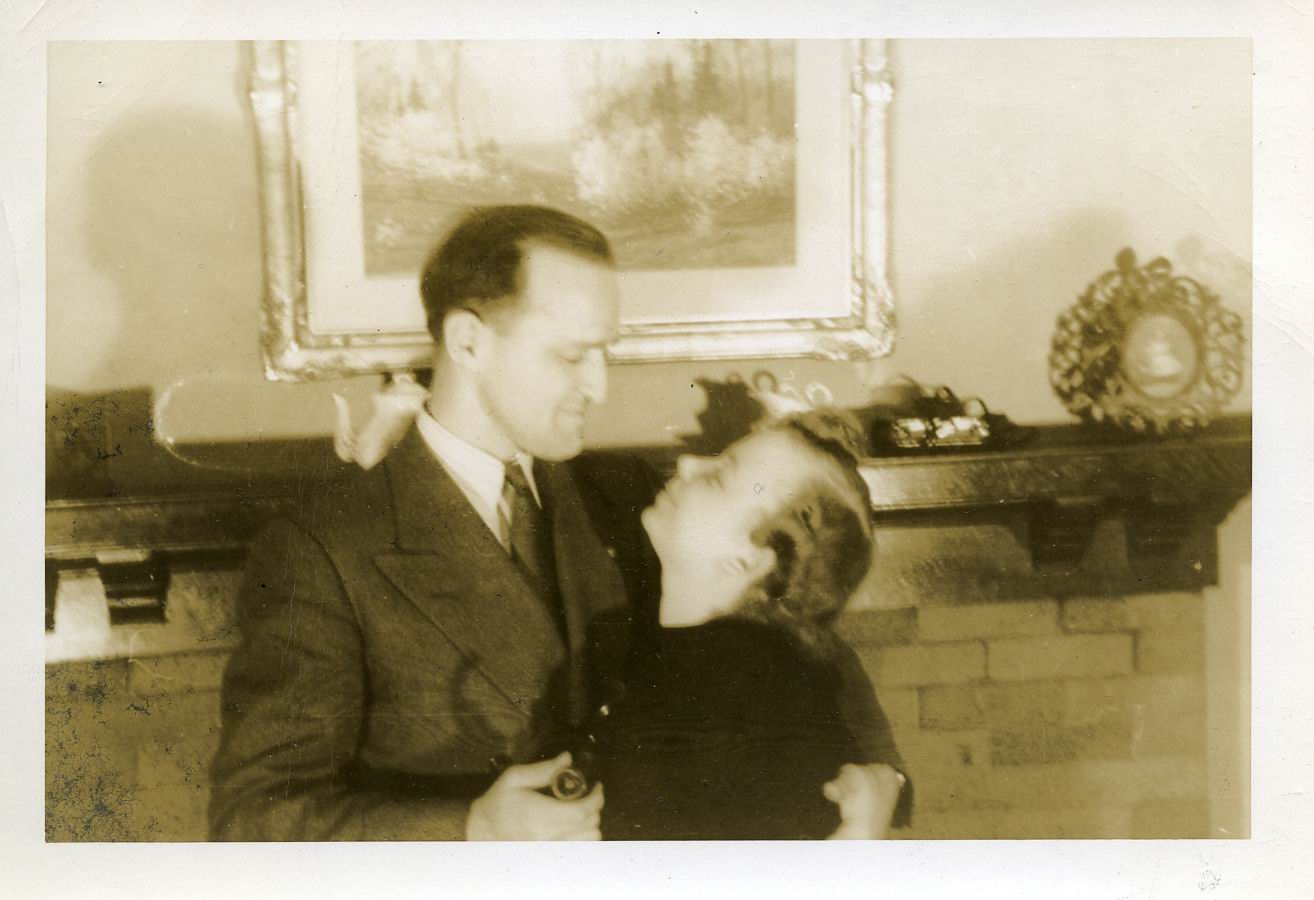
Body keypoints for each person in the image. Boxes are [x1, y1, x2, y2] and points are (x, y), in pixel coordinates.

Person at [209, 204, 903, 841]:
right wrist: (471, 832)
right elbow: (250, 819)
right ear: (468, 342)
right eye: (571, 357)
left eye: (605, 353)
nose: (599, 387)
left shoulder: (635, 500)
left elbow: (799, 638)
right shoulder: (321, 550)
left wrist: (880, 786)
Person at [591, 409, 910, 839]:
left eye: (719, 477)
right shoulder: (747, 674)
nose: (686, 463)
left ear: (748, 560)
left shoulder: (726, 708)